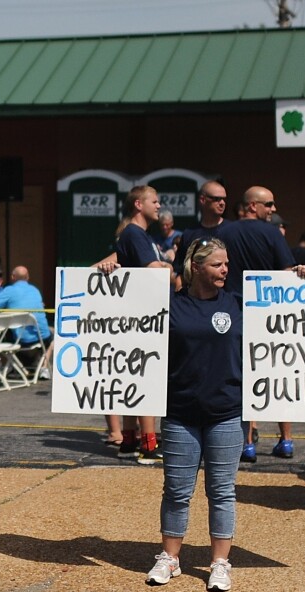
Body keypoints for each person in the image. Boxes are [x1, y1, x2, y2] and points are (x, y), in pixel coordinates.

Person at [145, 238, 243, 591]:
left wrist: (301, 276)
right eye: (218, 264)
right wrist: (109, 271)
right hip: (181, 413)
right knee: (176, 491)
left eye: (227, 264)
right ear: (197, 267)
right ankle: (169, 559)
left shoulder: (238, 304)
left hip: (227, 414)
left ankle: (220, 563)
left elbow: (285, 312)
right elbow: (123, 308)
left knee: (221, 492)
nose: (225, 270)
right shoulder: (171, 305)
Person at [217, 186, 297, 462]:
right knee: (277, 373)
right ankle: (286, 440)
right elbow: (287, 272)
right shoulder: (273, 233)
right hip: (269, 313)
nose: (273, 210)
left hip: (233, 311)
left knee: (242, 375)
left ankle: (246, 443)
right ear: (253, 206)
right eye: (269, 204)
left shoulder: (224, 232)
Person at [109, 186, 171, 464]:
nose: (159, 206)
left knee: (135, 376)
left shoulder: (134, 234)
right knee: (146, 378)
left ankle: (130, 439)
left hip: (136, 316)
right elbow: (152, 270)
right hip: (144, 317)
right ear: (138, 204)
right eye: (154, 201)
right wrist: (170, 267)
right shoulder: (135, 233)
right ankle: (148, 443)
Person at [0, 265, 53, 378]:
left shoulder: (9, 290)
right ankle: (44, 368)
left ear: (13, 277)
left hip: (20, 339)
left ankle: (7, 365)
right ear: (28, 277)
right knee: (53, 336)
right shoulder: (35, 290)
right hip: (42, 338)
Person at [172, 180, 230, 290]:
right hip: (196, 300)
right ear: (203, 200)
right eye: (216, 199)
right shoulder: (190, 233)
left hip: (226, 300)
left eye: (224, 199)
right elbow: (181, 272)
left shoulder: (233, 231)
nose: (222, 203)